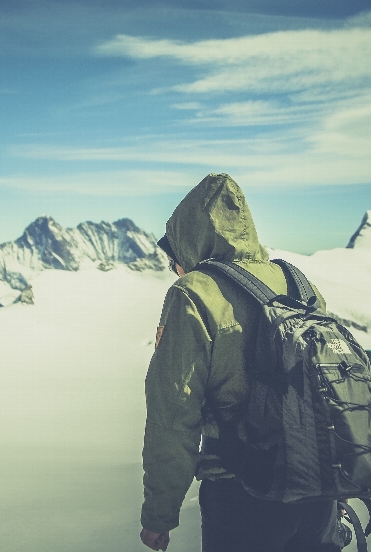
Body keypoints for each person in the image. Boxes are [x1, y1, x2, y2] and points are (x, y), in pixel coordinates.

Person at [139, 173, 343, 552]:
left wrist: (159, 514)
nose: (176, 269)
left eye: (174, 260)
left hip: (243, 495)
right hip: (320, 491)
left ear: (190, 242)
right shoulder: (299, 283)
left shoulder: (193, 294)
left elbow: (173, 413)